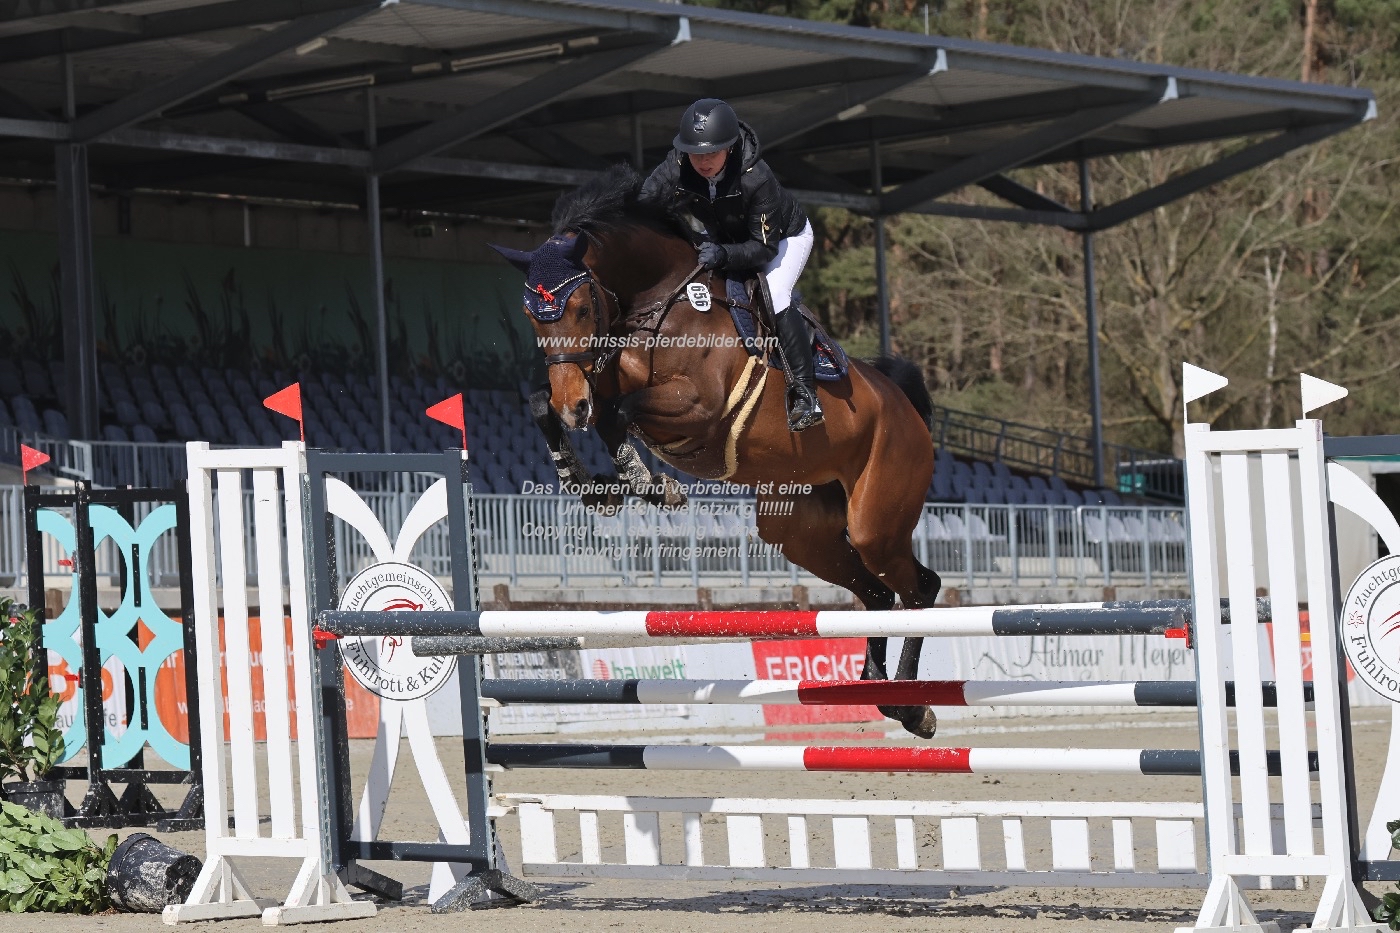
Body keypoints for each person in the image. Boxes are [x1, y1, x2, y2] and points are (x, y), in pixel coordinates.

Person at [639, 98, 822, 432]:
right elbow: (643, 202)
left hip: (782, 239)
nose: (703, 162)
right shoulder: (678, 162)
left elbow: (763, 250)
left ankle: (805, 393)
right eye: (697, 154)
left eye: (711, 154)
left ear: (729, 147)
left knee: (776, 293)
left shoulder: (757, 177)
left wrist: (723, 255)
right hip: (723, 233)